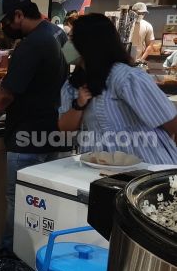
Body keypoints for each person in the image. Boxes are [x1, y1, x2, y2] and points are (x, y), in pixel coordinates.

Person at [0, 0, 71, 251]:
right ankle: (38, 258)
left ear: (19, 15)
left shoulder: (31, 44)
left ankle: (9, 261)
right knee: (45, 208)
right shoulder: (58, 36)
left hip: (27, 140)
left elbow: (5, 96)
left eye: (4, 22)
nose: (3, 28)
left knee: (21, 204)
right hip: (55, 134)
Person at [58, 14, 177, 164]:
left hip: (145, 166)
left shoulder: (126, 77)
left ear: (88, 43)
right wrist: (78, 105)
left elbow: (171, 122)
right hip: (99, 168)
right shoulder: (73, 84)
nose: (67, 45)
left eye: (72, 38)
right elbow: (65, 129)